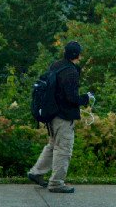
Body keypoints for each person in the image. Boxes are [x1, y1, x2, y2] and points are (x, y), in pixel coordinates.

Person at [27, 41, 91, 193]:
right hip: (63, 116)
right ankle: (56, 183)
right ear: (77, 55)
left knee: (52, 145)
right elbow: (71, 98)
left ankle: (36, 172)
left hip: (51, 113)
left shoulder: (56, 65)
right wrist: (86, 98)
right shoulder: (71, 72)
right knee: (64, 148)